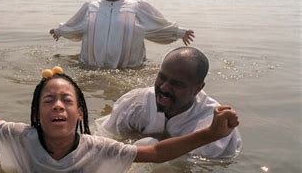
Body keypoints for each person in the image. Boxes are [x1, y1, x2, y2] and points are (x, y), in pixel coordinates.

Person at [0, 46, 239, 173]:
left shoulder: (99, 149)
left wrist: (210, 134)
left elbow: (156, 154)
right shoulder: (21, 135)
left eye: (67, 101)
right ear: (36, 114)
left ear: (80, 113)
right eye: (48, 101)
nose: (58, 106)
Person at [95, 46, 242, 158]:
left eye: (176, 84)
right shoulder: (137, 102)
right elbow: (106, 136)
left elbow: (206, 166)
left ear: (198, 89)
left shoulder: (214, 123)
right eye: (162, 77)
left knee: (147, 144)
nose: (164, 88)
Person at [49, 0, 195, 69]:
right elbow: (74, 25)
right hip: (90, 70)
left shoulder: (137, 7)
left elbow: (159, 25)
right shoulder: (90, 7)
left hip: (128, 70)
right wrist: (59, 31)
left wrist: (180, 32)